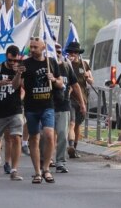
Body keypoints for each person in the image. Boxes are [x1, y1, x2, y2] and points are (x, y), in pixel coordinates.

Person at [21, 37, 62, 184]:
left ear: (43, 47)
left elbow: (60, 83)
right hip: (31, 107)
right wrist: (19, 74)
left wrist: (54, 80)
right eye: (31, 47)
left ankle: (46, 169)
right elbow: (16, 85)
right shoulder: (25, 64)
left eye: (35, 47)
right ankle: (37, 172)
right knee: (34, 138)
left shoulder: (51, 62)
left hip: (47, 105)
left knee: (49, 135)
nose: (32, 50)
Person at [0, 45, 25, 181]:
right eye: (10, 60)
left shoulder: (20, 69)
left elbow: (17, 86)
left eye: (15, 60)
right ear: (6, 57)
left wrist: (18, 73)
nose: (13, 63)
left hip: (15, 110)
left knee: (16, 138)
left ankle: (14, 169)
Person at [52, 44, 83, 173]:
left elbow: (75, 85)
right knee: (47, 135)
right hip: (47, 106)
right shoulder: (47, 66)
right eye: (55, 51)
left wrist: (82, 103)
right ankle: (46, 159)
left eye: (59, 51)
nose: (58, 53)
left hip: (64, 105)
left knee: (62, 134)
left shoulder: (66, 66)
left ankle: (60, 161)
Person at [64, 42, 93, 158]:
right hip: (70, 98)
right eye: (71, 52)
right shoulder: (66, 65)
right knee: (71, 123)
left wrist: (87, 77)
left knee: (77, 125)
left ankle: (74, 148)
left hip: (82, 99)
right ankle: (70, 145)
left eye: (75, 52)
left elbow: (91, 81)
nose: (73, 54)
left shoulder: (84, 64)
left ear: (78, 53)